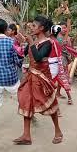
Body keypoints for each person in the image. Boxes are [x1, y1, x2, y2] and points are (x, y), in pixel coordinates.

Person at [14, 16, 63, 145]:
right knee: (26, 101)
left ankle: (58, 131)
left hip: (42, 77)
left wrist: (30, 43)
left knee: (48, 102)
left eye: (34, 26)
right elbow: (22, 54)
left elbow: (38, 58)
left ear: (41, 28)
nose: (31, 27)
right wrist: (19, 43)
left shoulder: (48, 43)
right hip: (31, 76)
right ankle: (26, 135)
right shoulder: (34, 42)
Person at [49, 25, 72, 105]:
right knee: (63, 80)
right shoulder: (59, 40)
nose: (64, 29)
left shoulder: (53, 41)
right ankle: (68, 98)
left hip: (55, 63)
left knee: (53, 82)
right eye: (63, 28)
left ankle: (53, 100)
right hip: (59, 62)